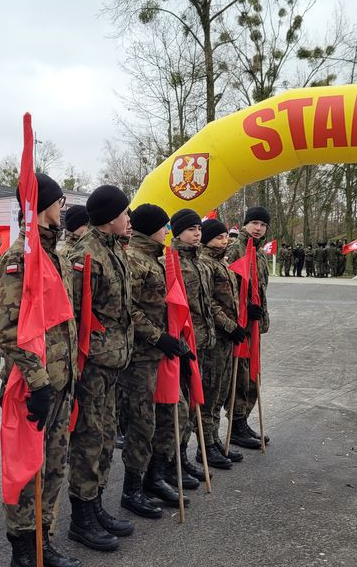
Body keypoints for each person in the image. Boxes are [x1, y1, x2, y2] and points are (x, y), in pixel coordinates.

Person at [0, 172, 80, 567]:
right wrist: (39, 381)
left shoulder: (56, 254)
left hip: (61, 381)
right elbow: (9, 332)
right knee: (29, 471)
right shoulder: (18, 259)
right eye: (58, 201)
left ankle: (45, 542)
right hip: (35, 385)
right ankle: (24, 551)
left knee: (54, 468)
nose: (62, 208)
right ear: (41, 206)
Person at [67, 185, 135, 552]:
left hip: (113, 362)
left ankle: (95, 506)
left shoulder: (113, 251)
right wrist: (90, 353)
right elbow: (74, 314)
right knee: (89, 440)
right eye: (125, 212)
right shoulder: (85, 255)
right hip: (92, 364)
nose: (129, 218)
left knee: (106, 437)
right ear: (111, 217)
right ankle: (81, 518)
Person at [118, 203, 186, 518]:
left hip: (159, 354)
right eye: (165, 226)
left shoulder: (155, 260)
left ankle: (155, 476)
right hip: (139, 357)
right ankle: (132, 489)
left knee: (171, 413)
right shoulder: (134, 260)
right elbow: (128, 310)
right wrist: (158, 336)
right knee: (141, 423)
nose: (168, 231)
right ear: (152, 228)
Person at [151, 208, 212, 499]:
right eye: (190, 229)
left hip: (199, 343)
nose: (197, 233)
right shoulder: (168, 263)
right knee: (176, 409)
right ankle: (169, 463)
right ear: (176, 231)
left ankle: (182, 459)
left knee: (190, 408)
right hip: (179, 345)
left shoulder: (201, 263)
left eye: (199, 228)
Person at [198, 219, 247, 470]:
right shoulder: (206, 263)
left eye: (226, 237)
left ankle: (213, 439)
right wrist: (230, 325)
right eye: (219, 238)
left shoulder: (222, 262)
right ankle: (205, 445)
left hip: (227, 338)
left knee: (220, 392)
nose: (224, 241)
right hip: (215, 338)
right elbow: (209, 303)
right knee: (210, 392)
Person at [226, 206, 271, 450]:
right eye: (254, 222)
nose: (258, 228)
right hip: (240, 324)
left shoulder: (260, 252)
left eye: (262, 225)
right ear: (244, 224)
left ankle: (242, 421)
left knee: (253, 375)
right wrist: (243, 309)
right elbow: (228, 287)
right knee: (241, 377)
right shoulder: (236, 249)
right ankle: (236, 423)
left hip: (254, 324)